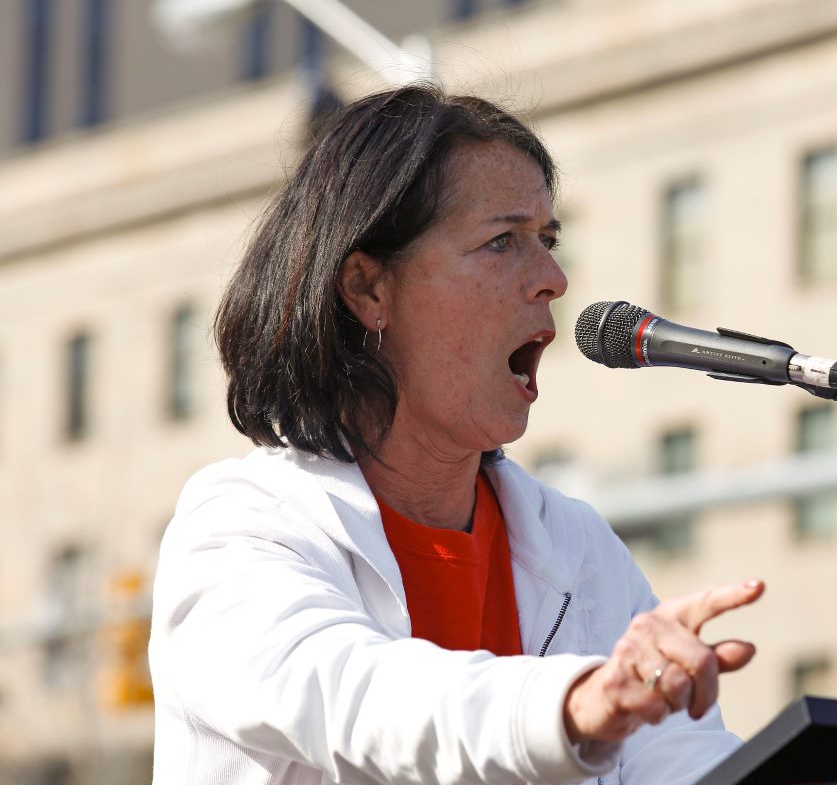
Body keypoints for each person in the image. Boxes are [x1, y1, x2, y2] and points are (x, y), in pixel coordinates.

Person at [148, 84, 764, 785]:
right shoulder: (240, 528)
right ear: (368, 289)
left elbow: (693, 768)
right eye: (502, 241)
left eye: (548, 240)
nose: (555, 280)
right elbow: (359, 698)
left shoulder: (583, 551)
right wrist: (575, 704)